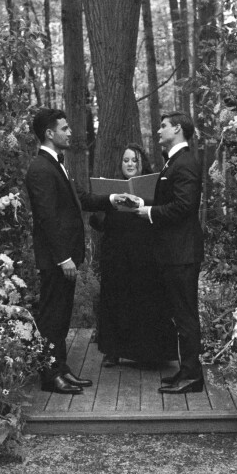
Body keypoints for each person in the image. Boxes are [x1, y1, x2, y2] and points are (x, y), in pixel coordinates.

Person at [24, 108, 130, 395]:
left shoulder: (57, 164)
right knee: (52, 317)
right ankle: (50, 376)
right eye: (65, 128)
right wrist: (63, 258)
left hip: (65, 256)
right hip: (57, 258)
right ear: (49, 133)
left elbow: (80, 198)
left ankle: (60, 368)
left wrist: (112, 198)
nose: (70, 132)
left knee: (61, 317)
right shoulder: (40, 168)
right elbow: (46, 218)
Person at [133, 111, 205, 394]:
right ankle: (186, 370)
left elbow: (184, 206)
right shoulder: (174, 162)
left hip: (182, 252)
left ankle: (192, 376)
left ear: (177, 129)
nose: (158, 131)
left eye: (163, 126)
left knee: (186, 315)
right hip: (174, 252)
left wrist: (149, 212)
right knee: (180, 314)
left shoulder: (184, 162)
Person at [90, 143, 177, 368]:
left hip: (144, 255)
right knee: (115, 302)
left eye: (134, 160)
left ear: (142, 163)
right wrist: (103, 210)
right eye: (126, 160)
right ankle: (112, 350)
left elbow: (163, 215)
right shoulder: (113, 189)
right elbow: (99, 222)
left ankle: (148, 353)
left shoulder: (153, 186)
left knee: (144, 302)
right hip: (116, 255)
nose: (130, 164)